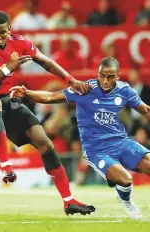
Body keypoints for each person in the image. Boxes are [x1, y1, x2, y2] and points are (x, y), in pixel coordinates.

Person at [0, 11, 94, 216]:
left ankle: (68, 201)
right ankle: (6, 167)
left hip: (5, 98)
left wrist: (71, 80)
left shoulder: (20, 42)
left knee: (45, 144)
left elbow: (45, 61)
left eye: (1, 33)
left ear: (9, 31)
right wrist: (8, 69)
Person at [10, 57, 150, 219]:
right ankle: (126, 201)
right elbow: (50, 97)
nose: (105, 80)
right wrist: (26, 93)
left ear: (118, 76)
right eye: (101, 75)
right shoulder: (84, 89)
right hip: (97, 150)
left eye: (110, 76)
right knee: (126, 180)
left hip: (122, 142)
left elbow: (145, 110)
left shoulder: (124, 90)